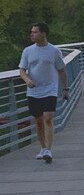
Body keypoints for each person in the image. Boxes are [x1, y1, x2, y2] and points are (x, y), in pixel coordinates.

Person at [18, 22, 69, 163]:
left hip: (50, 89)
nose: (32, 34)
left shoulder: (54, 51)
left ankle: (48, 150)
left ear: (43, 34)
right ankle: (42, 147)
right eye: (31, 32)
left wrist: (66, 89)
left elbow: (62, 70)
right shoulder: (28, 51)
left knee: (48, 117)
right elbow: (22, 70)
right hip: (34, 91)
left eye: (35, 32)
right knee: (39, 121)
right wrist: (27, 80)